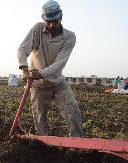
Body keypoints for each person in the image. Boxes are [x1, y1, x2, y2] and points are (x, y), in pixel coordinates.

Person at [17, 0, 83, 137]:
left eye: (55, 21)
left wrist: (41, 73)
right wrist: (24, 70)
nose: (52, 25)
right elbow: (22, 49)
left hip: (58, 83)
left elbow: (60, 63)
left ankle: (77, 145)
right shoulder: (38, 29)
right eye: (48, 21)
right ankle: (43, 146)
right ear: (44, 20)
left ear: (61, 17)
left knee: (73, 110)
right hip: (37, 85)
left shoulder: (69, 37)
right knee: (40, 118)